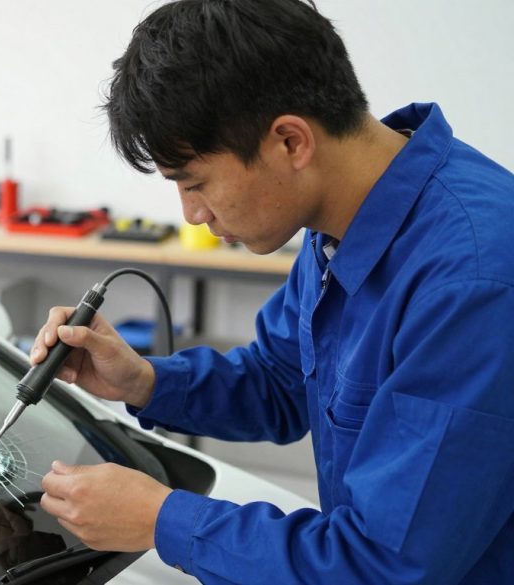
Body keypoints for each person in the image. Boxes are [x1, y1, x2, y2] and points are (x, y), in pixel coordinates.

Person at [33, 0, 514, 583]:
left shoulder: (474, 280)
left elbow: (383, 566)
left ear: (290, 141)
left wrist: (162, 518)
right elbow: (282, 380)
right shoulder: (339, 222)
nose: (191, 214)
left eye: (196, 182)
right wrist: (144, 381)